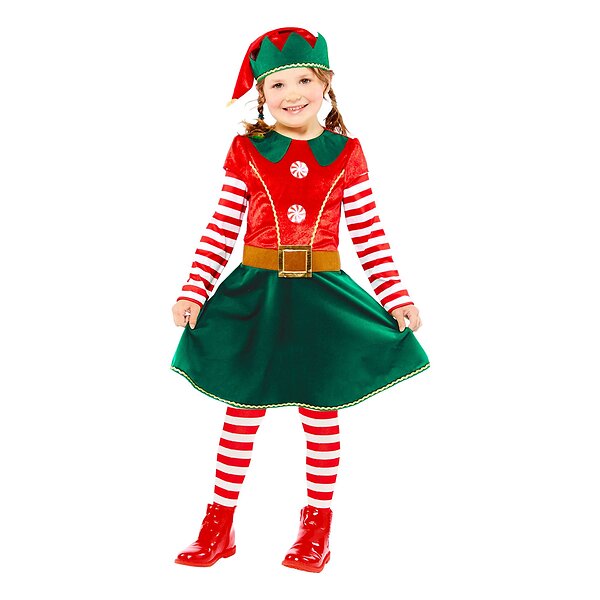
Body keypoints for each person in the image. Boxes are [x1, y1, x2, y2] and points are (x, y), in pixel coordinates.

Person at [170, 27, 430, 573]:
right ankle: (219, 523)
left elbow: (369, 233)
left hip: (321, 299)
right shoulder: (248, 151)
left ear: (326, 84)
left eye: (305, 80)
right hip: (257, 295)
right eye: (278, 83)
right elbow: (222, 227)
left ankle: (317, 528)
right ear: (262, 94)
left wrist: (396, 297)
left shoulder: (345, 153)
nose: (293, 93)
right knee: (242, 408)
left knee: (320, 410)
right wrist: (195, 289)